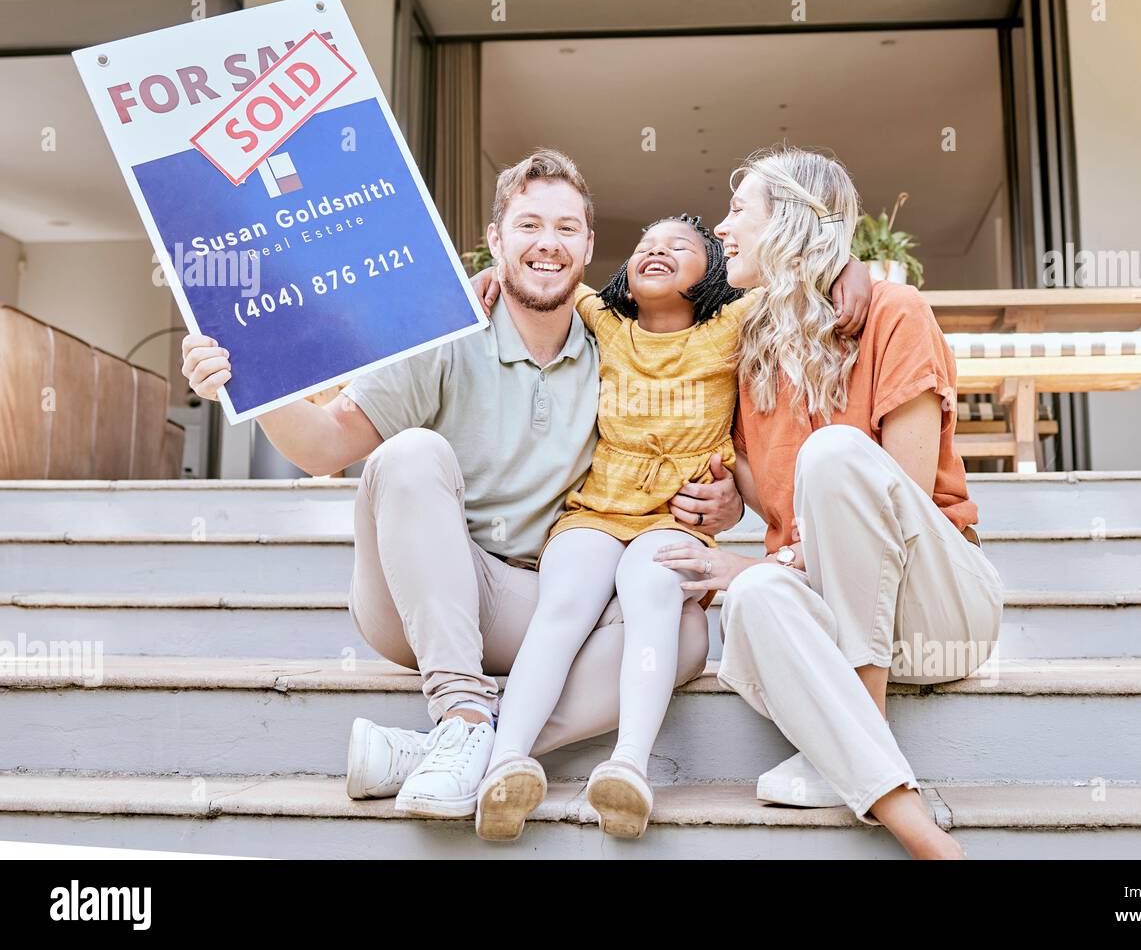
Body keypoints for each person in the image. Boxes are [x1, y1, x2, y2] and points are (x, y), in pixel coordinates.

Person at [180, 149, 745, 818]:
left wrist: (725, 498)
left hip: (537, 598)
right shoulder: (444, 330)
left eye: (567, 228)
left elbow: (685, 440)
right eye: (529, 225)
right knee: (411, 452)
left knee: (681, 633)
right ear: (495, 240)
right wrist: (247, 383)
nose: (548, 244)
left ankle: (460, 747)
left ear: (590, 246)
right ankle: (462, 712)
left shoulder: (616, 349)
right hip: (419, 595)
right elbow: (325, 445)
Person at [469, 214, 871, 841]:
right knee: (565, 602)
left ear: (712, 270)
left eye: (678, 247)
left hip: (673, 516)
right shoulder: (605, 322)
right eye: (645, 246)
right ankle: (504, 762)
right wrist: (495, 270)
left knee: (655, 590)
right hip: (594, 512)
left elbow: (798, 276)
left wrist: (850, 265)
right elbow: (542, 279)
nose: (655, 252)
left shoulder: (732, 325)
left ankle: (628, 763)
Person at [653, 147, 1004, 860]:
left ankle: (855, 727)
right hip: (826, 610)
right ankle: (924, 834)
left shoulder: (893, 312)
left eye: (738, 211)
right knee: (752, 596)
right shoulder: (745, 343)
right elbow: (625, 310)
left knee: (835, 455)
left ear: (791, 221)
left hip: (934, 605)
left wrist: (773, 557)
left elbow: (902, 504)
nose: (721, 229)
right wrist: (730, 507)